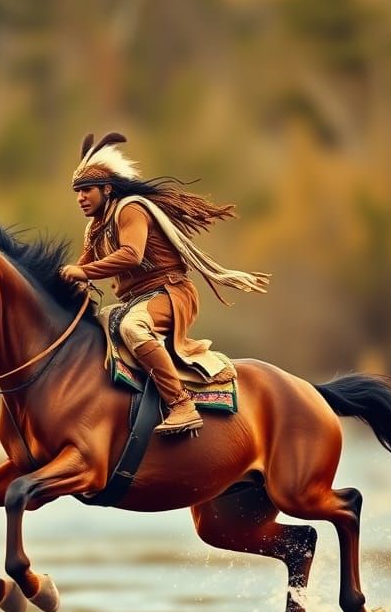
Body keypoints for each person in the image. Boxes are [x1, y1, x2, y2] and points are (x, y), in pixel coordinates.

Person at [61, 132, 270, 434]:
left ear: (107, 188)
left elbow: (131, 255)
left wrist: (83, 273)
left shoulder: (130, 209)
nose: (80, 198)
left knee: (132, 328)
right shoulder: (95, 227)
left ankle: (181, 404)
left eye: (86, 190)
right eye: (77, 192)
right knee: (95, 325)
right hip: (136, 301)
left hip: (170, 293)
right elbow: (81, 268)